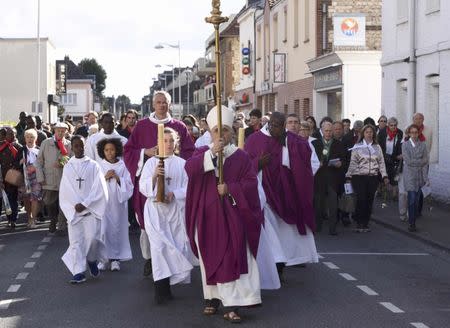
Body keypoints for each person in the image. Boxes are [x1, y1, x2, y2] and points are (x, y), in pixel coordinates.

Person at [185, 106, 263, 323]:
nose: (222, 135)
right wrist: (211, 154)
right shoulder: (202, 153)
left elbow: (250, 183)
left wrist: (230, 188)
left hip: (233, 214)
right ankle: (212, 298)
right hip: (207, 215)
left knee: (231, 256)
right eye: (217, 130)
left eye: (226, 130)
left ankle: (233, 304)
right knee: (209, 257)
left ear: (232, 131)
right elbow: (190, 170)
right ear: (210, 132)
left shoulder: (241, 157)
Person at [124, 90, 194, 277]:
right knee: (149, 223)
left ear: (169, 105)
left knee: (175, 226)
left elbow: (189, 152)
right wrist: (145, 152)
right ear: (153, 105)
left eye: (165, 102)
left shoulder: (178, 126)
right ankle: (150, 258)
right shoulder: (142, 126)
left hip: (175, 179)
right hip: (150, 180)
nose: (162, 105)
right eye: (159, 102)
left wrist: (174, 160)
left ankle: (175, 263)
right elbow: (129, 150)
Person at [245, 112, 318, 281]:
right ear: (269, 124)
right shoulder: (254, 140)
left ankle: (280, 266)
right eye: (273, 126)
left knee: (284, 234)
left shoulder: (290, 140)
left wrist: (289, 144)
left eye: (279, 126)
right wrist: (257, 164)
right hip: (263, 196)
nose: (275, 129)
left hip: (285, 195)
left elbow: (304, 154)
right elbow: (244, 165)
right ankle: (274, 267)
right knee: (270, 235)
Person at [140, 128, 196, 304]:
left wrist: (174, 194)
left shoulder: (182, 163)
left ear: (177, 143)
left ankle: (170, 283)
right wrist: (155, 176)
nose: (169, 144)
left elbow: (189, 187)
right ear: (158, 142)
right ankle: (161, 290)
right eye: (165, 141)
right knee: (159, 249)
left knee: (174, 246)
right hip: (155, 212)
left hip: (174, 212)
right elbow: (143, 187)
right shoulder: (150, 164)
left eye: (172, 141)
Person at [60, 135, 108, 284]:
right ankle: (78, 271)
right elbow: (65, 189)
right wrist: (75, 205)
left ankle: (92, 260)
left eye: (81, 145)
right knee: (76, 242)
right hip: (75, 212)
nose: (79, 148)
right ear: (72, 148)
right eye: (76, 146)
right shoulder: (68, 166)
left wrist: (86, 203)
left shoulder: (93, 165)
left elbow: (99, 188)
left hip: (90, 211)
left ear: (85, 146)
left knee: (93, 240)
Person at [96, 138, 133, 271]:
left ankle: (115, 259)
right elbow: (94, 186)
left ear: (117, 150)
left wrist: (118, 179)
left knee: (117, 230)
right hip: (104, 204)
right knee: (104, 230)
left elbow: (129, 185)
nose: (109, 152)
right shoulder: (99, 165)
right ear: (102, 151)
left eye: (112, 149)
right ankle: (103, 259)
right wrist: (104, 177)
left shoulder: (123, 166)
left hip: (118, 204)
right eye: (106, 150)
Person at [346, 124, 389, 232]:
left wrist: (384, 176)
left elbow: (381, 162)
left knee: (369, 200)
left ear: (374, 134)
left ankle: (365, 223)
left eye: (371, 132)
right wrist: (348, 176)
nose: (369, 134)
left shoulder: (377, 147)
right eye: (367, 132)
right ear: (363, 134)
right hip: (359, 177)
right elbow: (353, 162)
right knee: (361, 199)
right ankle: (359, 222)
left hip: (372, 177)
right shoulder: (357, 146)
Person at [36, 122, 72, 234]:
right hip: (49, 178)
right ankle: (53, 219)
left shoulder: (69, 144)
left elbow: (72, 159)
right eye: (58, 130)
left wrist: (63, 162)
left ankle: (61, 226)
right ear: (54, 131)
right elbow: (39, 161)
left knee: (63, 204)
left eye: (63, 131)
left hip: (64, 179)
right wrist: (40, 177)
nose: (60, 133)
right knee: (49, 203)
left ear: (66, 132)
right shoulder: (46, 143)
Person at [312, 122, 346, 235]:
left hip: (333, 178)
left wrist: (340, 164)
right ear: (322, 130)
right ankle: (317, 226)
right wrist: (317, 164)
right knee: (318, 203)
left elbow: (344, 160)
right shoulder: (315, 143)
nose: (328, 133)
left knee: (333, 204)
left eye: (330, 131)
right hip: (319, 177)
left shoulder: (338, 144)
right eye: (326, 131)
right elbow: (309, 161)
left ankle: (333, 228)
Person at [402, 124, 429, 232]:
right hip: (409, 176)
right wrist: (420, 161)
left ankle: (413, 218)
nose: (414, 134)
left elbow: (426, 161)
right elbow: (408, 161)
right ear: (408, 133)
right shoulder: (405, 145)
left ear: (419, 133)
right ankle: (411, 223)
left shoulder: (423, 145)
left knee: (417, 200)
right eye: (412, 132)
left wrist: (425, 178)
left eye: (416, 132)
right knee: (412, 199)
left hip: (420, 176)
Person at [0, 127, 23, 229]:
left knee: (13, 199)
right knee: (6, 200)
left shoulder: (19, 147)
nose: (12, 136)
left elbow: (21, 163)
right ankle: (8, 218)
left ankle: (13, 219)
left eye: (13, 134)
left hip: (14, 177)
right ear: (5, 135)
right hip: (3, 176)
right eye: (10, 134)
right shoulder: (1, 146)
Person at [21, 129, 43, 228]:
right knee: (26, 199)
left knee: (35, 198)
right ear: (25, 139)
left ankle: (33, 219)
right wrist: (20, 162)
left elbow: (44, 162)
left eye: (32, 137)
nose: (30, 139)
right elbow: (15, 164)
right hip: (24, 178)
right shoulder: (22, 150)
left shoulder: (39, 150)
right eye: (28, 137)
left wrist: (35, 167)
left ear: (36, 138)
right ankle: (29, 217)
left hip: (36, 177)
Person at [378, 117, 403, 199]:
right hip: (384, 156)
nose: (393, 127)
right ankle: (380, 191)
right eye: (391, 125)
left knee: (394, 176)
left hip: (394, 156)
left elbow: (400, 144)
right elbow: (379, 145)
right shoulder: (382, 132)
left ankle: (394, 195)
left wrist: (400, 154)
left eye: (395, 125)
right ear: (388, 125)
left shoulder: (399, 133)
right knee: (382, 175)